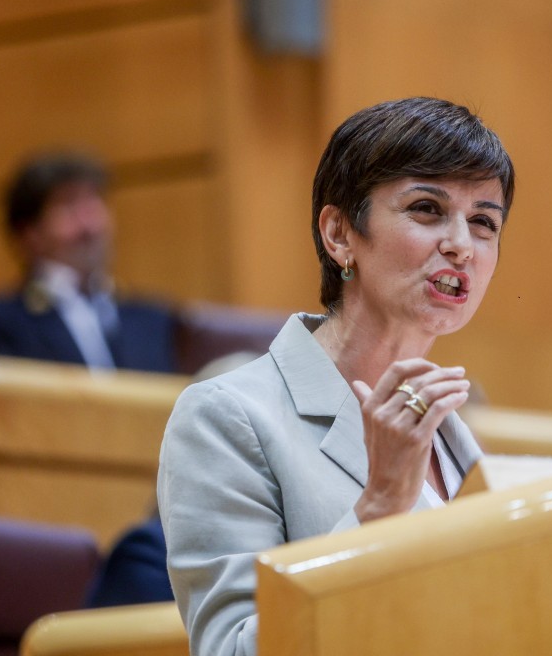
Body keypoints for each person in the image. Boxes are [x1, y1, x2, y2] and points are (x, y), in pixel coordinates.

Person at [157, 97, 515, 655]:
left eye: (484, 222)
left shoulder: (456, 435)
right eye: (426, 208)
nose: (461, 245)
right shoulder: (228, 417)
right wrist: (378, 509)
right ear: (340, 234)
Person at [0, 152, 177, 373]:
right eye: (68, 205)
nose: (89, 225)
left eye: (94, 201)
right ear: (30, 233)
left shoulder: (153, 320)